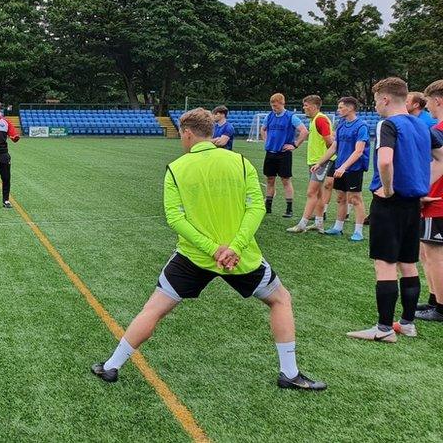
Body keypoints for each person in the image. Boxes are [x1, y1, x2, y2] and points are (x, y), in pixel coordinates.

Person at [91, 108, 325, 391]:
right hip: (241, 258)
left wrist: (213, 249)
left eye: (181, 135)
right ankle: (289, 372)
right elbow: (256, 207)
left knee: (153, 310)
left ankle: (112, 365)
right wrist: (234, 246)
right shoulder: (239, 162)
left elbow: (175, 218)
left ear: (188, 133)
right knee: (280, 300)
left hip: (194, 256)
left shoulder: (176, 168)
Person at [347, 77, 443, 342]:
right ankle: (408, 323)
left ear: (385, 99)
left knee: (385, 264)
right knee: (408, 263)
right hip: (414, 204)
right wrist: (421, 183)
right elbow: (442, 157)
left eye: (377, 100)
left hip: (390, 204)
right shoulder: (424, 126)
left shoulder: (387, 125)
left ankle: (383, 329)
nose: (376, 105)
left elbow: (385, 161)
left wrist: (388, 189)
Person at [312, 97, 370, 242]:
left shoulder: (361, 126)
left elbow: (359, 151)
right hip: (339, 167)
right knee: (340, 198)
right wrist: (320, 162)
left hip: (353, 168)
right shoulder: (341, 124)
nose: (338, 110)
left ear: (350, 108)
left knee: (355, 199)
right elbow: (334, 146)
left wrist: (344, 167)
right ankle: (338, 227)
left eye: (341, 107)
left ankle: (358, 231)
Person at [416, 80, 443, 323]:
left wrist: (421, 189)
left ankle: (441, 307)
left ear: (437, 101)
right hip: (436, 200)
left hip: (437, 201)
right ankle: (435, 298)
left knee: (434, 254)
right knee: (427, 252)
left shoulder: (440, 129)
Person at [287, 96, 335, 233]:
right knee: (318, 194)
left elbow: (330, 142)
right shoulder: (315, 120)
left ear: (314, 106)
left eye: (306, 105)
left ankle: (302, 225)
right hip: (315, 161)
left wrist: (323, 161)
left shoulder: (320, 119)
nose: (304, 108)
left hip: (321, 162)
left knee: (311, 192)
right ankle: (319, 223)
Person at [260, 93, 308, 218]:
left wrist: (295, 145)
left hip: (284, 154)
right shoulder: (269, 116)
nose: (273, 108)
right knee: (270, 179)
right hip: (270, 153)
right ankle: (268, 207)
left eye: (275, 106)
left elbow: (304, 131)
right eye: (272, 106)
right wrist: (266, 141)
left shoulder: (290, 117)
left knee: (285, 180)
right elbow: (263, 129)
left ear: (282, 103)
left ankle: (289, 209)